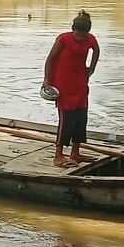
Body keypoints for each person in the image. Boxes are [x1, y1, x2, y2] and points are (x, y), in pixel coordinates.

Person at [43, 10, 100, 168]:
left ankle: (76, 152)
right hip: (62, 84)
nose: (79, 37)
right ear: (73, 29)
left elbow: (96, 50)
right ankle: (58, 155)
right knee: (66, 120)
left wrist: (91, 69)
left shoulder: (90, 39)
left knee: (81, 118)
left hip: (80, 83)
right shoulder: (63, 39)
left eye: (83, 34)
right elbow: (50, 59)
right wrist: (47, 80)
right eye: (77, 33)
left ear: (87, 32)